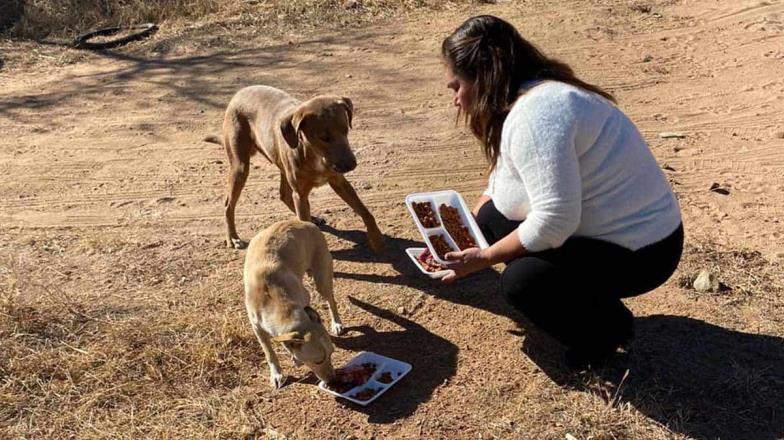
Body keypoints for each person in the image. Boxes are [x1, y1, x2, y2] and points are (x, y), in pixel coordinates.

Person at [439, 15, 684, 367]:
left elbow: (554, 221)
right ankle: (597, 307)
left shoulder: (537, 115)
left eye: (456, 86)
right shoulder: (531, 91)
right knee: (490, 217)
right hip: (607, 231)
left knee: (522, 283)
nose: (456, 100)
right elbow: (505, 176)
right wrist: (472, 224)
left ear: (483, 77)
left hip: (644, 251)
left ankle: (603, 334)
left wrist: (484, 258)